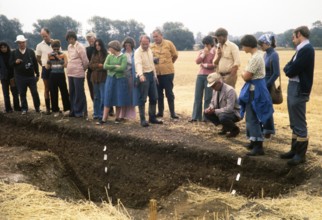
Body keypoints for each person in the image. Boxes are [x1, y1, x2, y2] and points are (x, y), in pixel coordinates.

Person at [280, 26, 315, 166]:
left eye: (293, 36)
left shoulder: (307, 49)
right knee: (293, 120)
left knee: (299, 121)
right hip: (294, 86)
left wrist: (288, 70)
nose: (292, 38)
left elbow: (292, 69)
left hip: (299, 87)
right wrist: (289, 69)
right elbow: (288, 66)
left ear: (299, 34)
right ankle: (294, 150)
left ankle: (300, 155)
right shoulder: (300, 49)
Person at [238, 35, 273, 156]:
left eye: (243, 45)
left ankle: (258, 146)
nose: (242, 48)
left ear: (248, 45)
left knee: (253, 117)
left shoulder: (256, 58)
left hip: (255, 91)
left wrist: (242, 73)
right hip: (254, 89)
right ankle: (253, 140)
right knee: (250, 117)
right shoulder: (256, 56)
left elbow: (246, 76)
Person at [97, 40, 130, 124]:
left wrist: (111, 68)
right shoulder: (109, 56)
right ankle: (104, 119)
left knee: (118, 98)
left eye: (110, 47)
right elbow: (105, 66)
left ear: (114, 48)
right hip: (110, 79)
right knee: (108, 97)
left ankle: (118, 118)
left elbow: (122, 68)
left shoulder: (123, 56)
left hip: (120, 80)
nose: (109, 49)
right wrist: (115, 66)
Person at [134, 35, 163, 127]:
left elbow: (152, 64)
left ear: (149, 43)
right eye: (143, 44)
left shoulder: (150, 50)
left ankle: (152, 118)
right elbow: (138, 64)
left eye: (147, 44)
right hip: (144, 76)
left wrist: (155, 76)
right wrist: (141, 75)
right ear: (140, 43)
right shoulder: (137, 52)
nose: (145, 45)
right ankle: (142, 120)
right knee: (143, 98)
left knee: (154, 97)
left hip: (151, 75)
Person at [151, 29, 179, 119]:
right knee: (159, 94)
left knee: (169, 93)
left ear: (161, 35)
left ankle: (172, 113)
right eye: (154, 37)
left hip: (168, 73)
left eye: (157, 36)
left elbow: (175, 55)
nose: (155, 38)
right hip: (157, 74)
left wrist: (169, 64)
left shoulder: (169, 44)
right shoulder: (151, 47)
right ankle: (160, 112)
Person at [10, 35, 41, 115]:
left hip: (31, 76)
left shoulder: (31, 51)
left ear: (25, 42)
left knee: (34, 92)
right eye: (20, 43)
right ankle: (24, 108)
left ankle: (37, 108)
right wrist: (15, 62)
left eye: (23, 42)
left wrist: (37, 74)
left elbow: (35, 63)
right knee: (22, 93)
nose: (22, 44)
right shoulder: (14, 53)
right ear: (17, 43)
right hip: (19, 77)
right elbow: (10, 64)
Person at [257, 34, 280, 142]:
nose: (260, 46)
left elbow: (276, 73)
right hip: (262, 83)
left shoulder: (274, 55)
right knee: (261, 107)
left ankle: (268, 131)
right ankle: (263, 128)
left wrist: (266, 85)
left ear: (267, 43)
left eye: (261, 44)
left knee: (267, 108)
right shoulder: (265, 54)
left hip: (268, 85)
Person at [204, 72, 240, 137]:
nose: (212, 87)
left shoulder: (230, 90)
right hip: (221, 111)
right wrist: (210, 108)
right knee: (206, 113)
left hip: (233, 113)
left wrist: (214, 111)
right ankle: (226, 126)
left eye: (213, 85)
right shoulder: (215, 89)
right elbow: (212, 102)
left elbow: (229, 109)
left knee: (222, 117)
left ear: (219, 82)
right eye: (211, 86)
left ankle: (234, 129)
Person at [189, 36, 216, 122]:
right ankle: (196, 117)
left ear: (211, 43)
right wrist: (204, 54)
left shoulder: (215, 52)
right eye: (204, 44)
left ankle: (207, 117)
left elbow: (215, 65)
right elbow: (197, 61)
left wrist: (205, 65)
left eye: (207, 44)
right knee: (197, 96)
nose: (206, 46)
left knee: (208, 97)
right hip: (200, 76)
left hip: (210, 76)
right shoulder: (202, 51)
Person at [66, 30, 89, 118]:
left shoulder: (80, 47)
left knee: (79, 92)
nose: (70, 40)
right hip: (70, 73)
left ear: (74, 38)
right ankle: (73, 111)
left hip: (78, 73)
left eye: (71, 38)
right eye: (69, 39)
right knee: (72, 92)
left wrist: (83, 68)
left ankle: (80, 112)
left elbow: (85, 60)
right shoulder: (69, 47)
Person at [45, 39, 70, 117]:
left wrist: (58, 58)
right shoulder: (49, 55)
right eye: (54, 48)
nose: (56, 50)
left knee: (64, 92)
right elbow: (47, 66)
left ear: (59, 47)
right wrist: (48, 64)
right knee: (53, 93)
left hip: (61, 75)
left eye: (57, 48)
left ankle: (67, 109)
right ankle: (55, 110)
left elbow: (65, 65)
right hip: (53, 75)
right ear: (52, 48)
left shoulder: (63, 55)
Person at [120, 36, 139, 120]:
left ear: (132, 45)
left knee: (131, 95)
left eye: (129, 44)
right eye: (126, 44)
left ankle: (130, 115)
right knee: (123, 95)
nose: (127, 46)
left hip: (131, 77)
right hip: (122, 76)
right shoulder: (121, 53)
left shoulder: (135, 53)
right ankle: (122, 114)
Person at [89, 39, 108, 120]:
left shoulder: (106, 54)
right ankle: (96, 113)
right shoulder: (94, 54)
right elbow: (90, 65)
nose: (97, 46)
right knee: (96, 97)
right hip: (94, 78)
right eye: (96, 45)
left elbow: (105, 66)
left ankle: (101, 113)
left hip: (103, 78)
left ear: (101, 45)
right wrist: (99, 65)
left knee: (103, 96)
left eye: (99, 45)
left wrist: (97, 66)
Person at [36, 28, 53, 114]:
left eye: (45, 36)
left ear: (49, 34)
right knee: (47, 88)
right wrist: (43, 65)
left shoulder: (55, 43)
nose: (44, 38)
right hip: (45, 69)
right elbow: (38, 58)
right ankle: (47, 109)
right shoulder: (39, 45)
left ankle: (55, 107)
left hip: (55, 68)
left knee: (54, 88)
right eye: (43, 36)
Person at [0, 41, 21, 113]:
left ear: (7, 47)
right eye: (1, 48)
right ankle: (8, 108)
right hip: (4, 78)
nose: (3, 49)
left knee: (15, 93)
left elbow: (14, 64)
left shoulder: (12, 54)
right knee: (6, 94)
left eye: (4, 47)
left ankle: (17, 107)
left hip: (12, 77)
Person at [85, 32, 96, 101]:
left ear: (95, 38)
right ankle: (95, 108)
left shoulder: (99, 49)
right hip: (90, 72)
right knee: (92, 91)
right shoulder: (86, 49)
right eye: (88, 39)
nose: (90, 41)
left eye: (91, 39)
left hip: (99, 72)